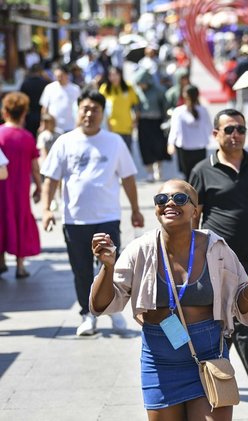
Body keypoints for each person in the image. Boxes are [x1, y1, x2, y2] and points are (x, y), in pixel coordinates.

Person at [89, 179, 248, 419]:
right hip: (160, 360)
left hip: (209, 355)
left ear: (195, 210)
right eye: (162, 199)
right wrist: (107, 267)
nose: (170, 203)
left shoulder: (216, 248)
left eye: (180, 199)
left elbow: (240, 306)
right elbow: (102, 305)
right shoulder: (140, 249)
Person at [188, 108, 248, 406]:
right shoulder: (202, 170)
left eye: (240, 130)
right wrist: (191, 255)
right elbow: (194, 215)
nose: (235, 136)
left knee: (234, 320)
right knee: (238, 322)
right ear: (215, 134)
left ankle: (207, 376)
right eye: (229, 129)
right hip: (216, 258)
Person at [40, 88, 144, 336]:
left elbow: (128, 177)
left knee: (112, 267)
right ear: (78, 111)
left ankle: (114, 310)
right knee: (81, 269)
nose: (89, 114)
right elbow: (50, 180)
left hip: (107, 216)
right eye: (85, 109)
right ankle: (88, 314)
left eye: (95, 110)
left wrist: (136, 209)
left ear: (102, 113)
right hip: (75, 218)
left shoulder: (114, 141)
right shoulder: (64, 141)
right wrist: (46, 209)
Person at [0, 92, 42, 278]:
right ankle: (20, 265)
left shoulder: (0, 135)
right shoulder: (27, 137)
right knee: (20, 220)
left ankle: (1, 261)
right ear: (24, 113)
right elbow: (35, 168)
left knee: (2, 220)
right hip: (21, 189)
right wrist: (40, 187)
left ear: (5, 112)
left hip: (2, 189)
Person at [167, 85, 212, 181]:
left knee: (196, 175)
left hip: (195, 147)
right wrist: (171, 143)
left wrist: (171, 143)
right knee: (190, 175)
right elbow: (175, 129)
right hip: (189, 147)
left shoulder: (201, 110)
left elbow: (209, 127)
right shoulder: (180, 111)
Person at [133, 68, 170, 182]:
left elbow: (165, 105)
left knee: (158, 146)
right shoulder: (137, 92)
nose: (141, 86)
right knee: (145, 147)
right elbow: (135, 107)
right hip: (143, 122)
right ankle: (149, 172)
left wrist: (166, 119)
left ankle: (158, 170)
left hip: (156, 121)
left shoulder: (159, 90)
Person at [99, 66, 139, 151]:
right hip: (111, 127)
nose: (114, 77)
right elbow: (100, 106)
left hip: (127, 126)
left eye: (116, 74)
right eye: (111, 75)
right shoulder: (105, 88)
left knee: (127, 153)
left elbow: (136, 105)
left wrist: (135, 120)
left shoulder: (128, 87)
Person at [39, 63, 81, 133]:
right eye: (57, 76)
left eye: (61, 76)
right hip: (54, 128)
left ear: (67, 75)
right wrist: (43, 124)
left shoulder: (75, 89)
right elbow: (44, 108)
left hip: (71, 127)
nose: (59, 78)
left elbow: (79, 107)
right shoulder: (49, 88)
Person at [19, 63, 49, 138]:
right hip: (42, 115)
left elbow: (22, 100)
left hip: (29, 115)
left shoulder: (25, 83)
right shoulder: (45, 83)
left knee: (30, 137)